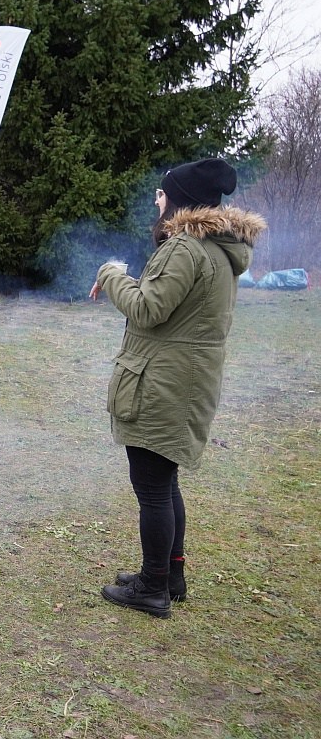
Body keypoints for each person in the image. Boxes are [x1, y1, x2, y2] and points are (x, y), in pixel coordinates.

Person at [90, 159, 266, 618]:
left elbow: (147, 309)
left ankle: (152, 588)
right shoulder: (218, 247)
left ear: (180, 200)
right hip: (184, 380)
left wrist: (111, 274)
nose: (157, 199)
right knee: (163, 483)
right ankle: (169, 575)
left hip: (164, 382)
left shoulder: (185, 246)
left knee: (151, 486)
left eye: (162, 193)